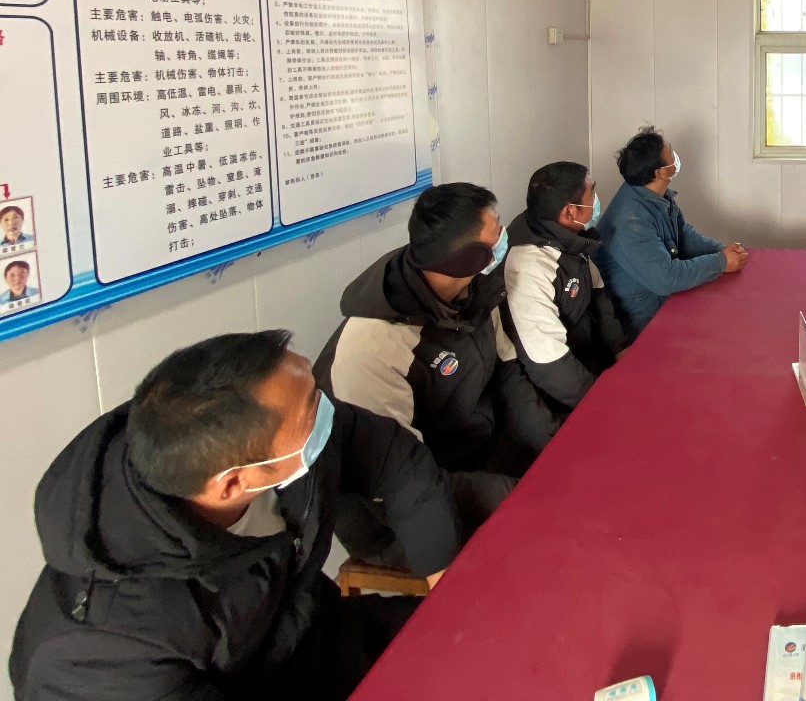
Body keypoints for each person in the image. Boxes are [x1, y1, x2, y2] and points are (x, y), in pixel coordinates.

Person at [9, 330, 460, 701]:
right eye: (312, 407)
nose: (327, 410)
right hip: (249, 686)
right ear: (231, 485)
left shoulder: (276, 436)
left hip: (319, 637)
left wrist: (445, 579)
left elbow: (394, 459)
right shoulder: (104, 652)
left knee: (475, 635)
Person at [313, 183, 558, 572]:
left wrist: (553, 444)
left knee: (573, 474)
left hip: (470, 451)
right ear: (467, 257)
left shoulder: (473, 290)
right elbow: (405, 482)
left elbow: (505, 375)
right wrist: (513, 494)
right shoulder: (373, 345)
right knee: (544, 533)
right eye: (495, 234)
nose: (504, 238)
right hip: (398, 517)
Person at [501, 161, 630, 412]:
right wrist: (601, 402)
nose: (596, 199)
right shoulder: (528, 266)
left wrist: (619, 348)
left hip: (589, 359)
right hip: (560, 391)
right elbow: (549, 362)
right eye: (592, 192)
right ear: (569, 212)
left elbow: (598, 296)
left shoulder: (568, 234)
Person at [594, 127, 747, 337]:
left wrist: (722, 250)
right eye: (670, 152)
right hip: (640, 321)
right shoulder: (631, 221)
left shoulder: (654, 194)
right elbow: (667, 278)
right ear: (661, 172)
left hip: (663, 301)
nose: (675, 156)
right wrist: (721, 262)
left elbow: (683, 235)